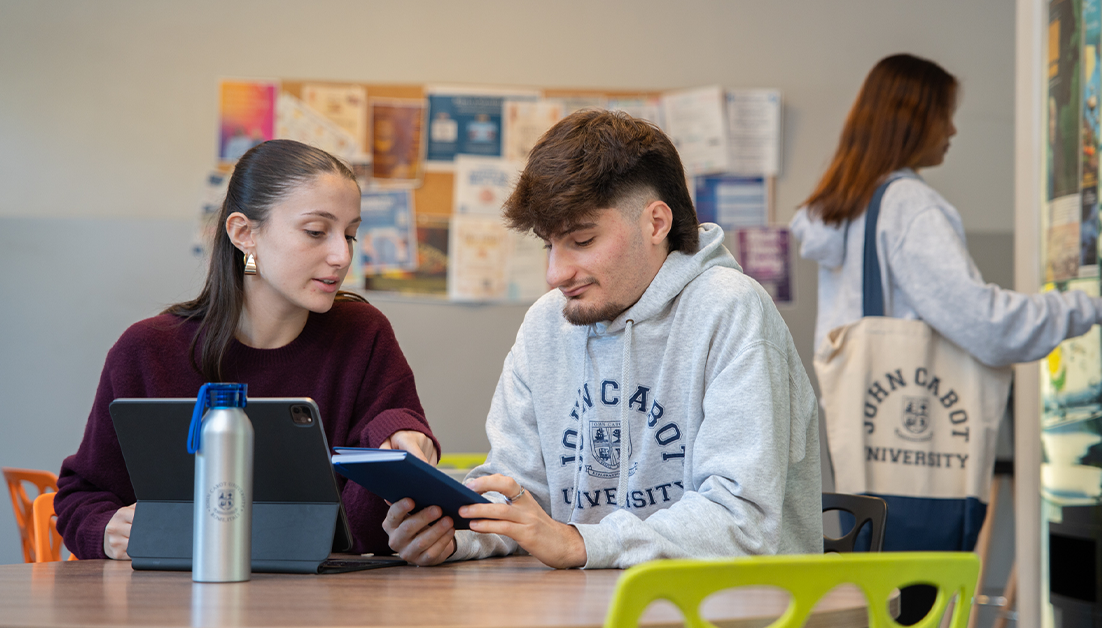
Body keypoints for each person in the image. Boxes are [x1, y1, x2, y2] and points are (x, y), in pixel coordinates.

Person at [383, 109, 823, 569]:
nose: (555, 274)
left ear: (656, 223)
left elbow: (742, 522)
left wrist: (580, 543)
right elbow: (521, 492)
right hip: (590, 601)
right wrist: (456, 533)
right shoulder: (546, 324)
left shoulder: (731, 310)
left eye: (583, 239)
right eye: (549, 244)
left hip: (735, 610)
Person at [790, 53, 1102, 623]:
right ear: (913, 119)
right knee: (923, 603)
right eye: (945, 115)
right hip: (924, 467)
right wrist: (1096, 310)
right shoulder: (908, 206)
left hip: (863, 466)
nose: (952, 130)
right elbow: (988, 326)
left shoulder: (844, 211)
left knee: (885, 604)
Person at [56, 139, 439, 560]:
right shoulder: (146, 349)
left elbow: (382, 488)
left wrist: (402, 433)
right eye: (316, 232)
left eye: (350, 234)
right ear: (244, 233)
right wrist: (106, 528)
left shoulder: (364, 335)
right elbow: (81, 498)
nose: (341, 255)